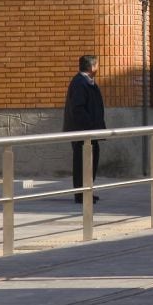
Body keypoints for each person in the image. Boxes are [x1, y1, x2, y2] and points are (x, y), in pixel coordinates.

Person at [63, 54, 106, 204]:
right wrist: (89, 126)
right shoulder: (80, 83)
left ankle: (87, 191)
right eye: (97, 65)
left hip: (89, 132)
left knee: (91, 161)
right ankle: (81, 194)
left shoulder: (88, 82)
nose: (98, 68)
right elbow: (78, 108)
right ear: (92, 67)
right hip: (82, 132)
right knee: (82, 163)